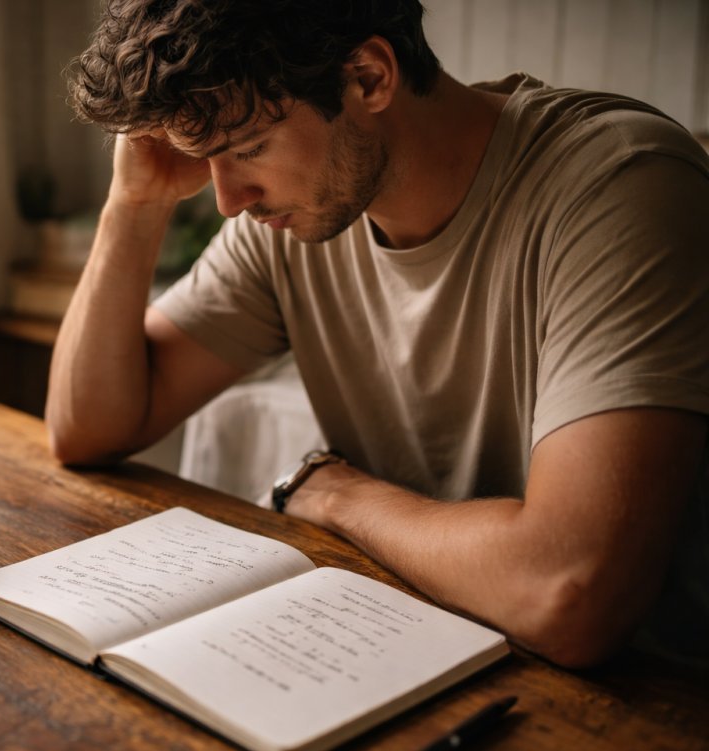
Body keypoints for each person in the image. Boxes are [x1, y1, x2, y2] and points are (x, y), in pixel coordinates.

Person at [45, 0, 709, 669]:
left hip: (648, 701)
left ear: (367, 77)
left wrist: (337, 494)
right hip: (418, 647)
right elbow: (88, 428)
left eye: (248, 148)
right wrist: (135, 203)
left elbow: (571, 595)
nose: (229, 200)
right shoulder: (292, 219)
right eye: (207, 156)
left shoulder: (622, 184)